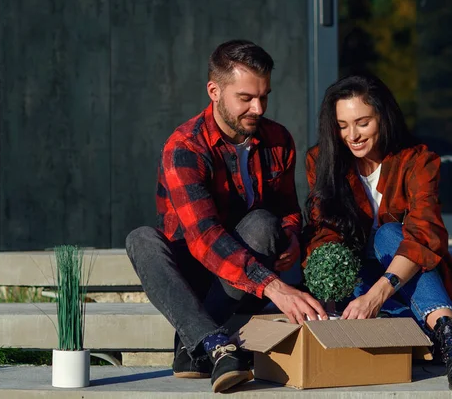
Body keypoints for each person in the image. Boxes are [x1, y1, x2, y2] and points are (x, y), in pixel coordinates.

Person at [126, 40, 326, 393]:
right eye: (246, 98)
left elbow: (287, 208)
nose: (258, 107)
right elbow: (204, 237)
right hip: (197, 271)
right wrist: (273, 286)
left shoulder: (278, 138)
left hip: (246, 272)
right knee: (140, 240)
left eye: (264, 96)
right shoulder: (185, 147)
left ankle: (197, 347)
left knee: (265, 223)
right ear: (214, 91)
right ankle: (210, 342)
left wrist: (292, 236)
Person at [303, 73, 452, 390]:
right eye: (342, 125)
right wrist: (327, 291)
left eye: (362, 122)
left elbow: (425, 234)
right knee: (356, 272)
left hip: (409, 272)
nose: (351, 135)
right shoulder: (321, 160)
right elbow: (324, 231)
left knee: (390, 234)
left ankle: (451, 337)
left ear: (384, 116)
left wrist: (378, 294)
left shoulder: (417, 160)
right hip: (359, 279)